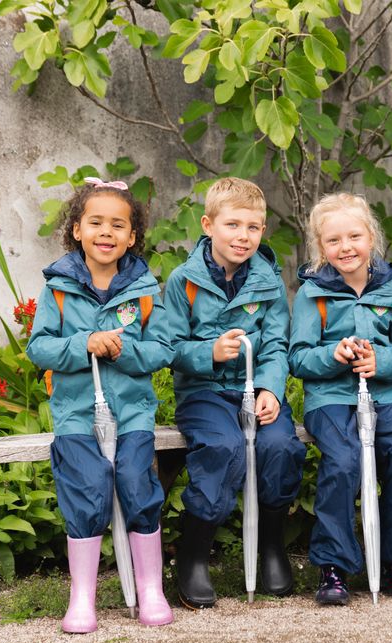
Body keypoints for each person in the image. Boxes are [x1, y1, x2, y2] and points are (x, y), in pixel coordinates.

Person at [27, 177, 174, 632]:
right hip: (76, 414)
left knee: (136, 483)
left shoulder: (144, 290)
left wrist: (123, 350)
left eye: (118, 225)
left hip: (130, 413)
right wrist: (83, 343)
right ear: (76, 229)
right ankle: (82, 599)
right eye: (95, 222)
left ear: (132, 236)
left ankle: (151, 590)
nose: (106, 232)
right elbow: (40, 348)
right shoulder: (58, 289)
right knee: (87, 489)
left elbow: (163, 348)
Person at [164, 177, 306, 609]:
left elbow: (277, 343)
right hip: (205, 393)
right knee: (223, 448)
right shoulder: (183, 281)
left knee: (281, 445)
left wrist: (270, 389)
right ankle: (192, 555)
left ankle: (271, 547)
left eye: (253, 227)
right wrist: (208, 351)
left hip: (253, 390)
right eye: (232, 225)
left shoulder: (267, 279)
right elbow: (168, 347)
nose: (243, 236)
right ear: (208, 225)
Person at [289, 192, 392, 606]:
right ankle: (333, 566)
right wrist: (332, 356)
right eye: (333, 241)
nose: (345, 247)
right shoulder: (312, 293)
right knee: (344, 459)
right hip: (331, 399)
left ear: (371, 238)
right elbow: (298, 357)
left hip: (384, 395)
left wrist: (380, 360)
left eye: (354, 236)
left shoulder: (390, 287)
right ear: (320, 247)